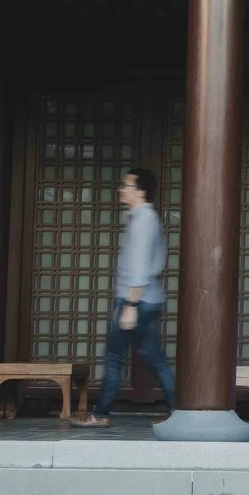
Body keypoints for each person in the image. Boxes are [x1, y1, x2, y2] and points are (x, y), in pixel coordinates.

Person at [72, 165, 176, 428]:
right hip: (148, 299)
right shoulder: (145, 218)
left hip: (136, 300)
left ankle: (101, 413)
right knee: (153, 357)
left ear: (140, 192)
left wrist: (130, 304)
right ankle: (178, 411)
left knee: (114, 358)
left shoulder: (143, 221)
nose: (121, 190)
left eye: (127, 186)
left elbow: (140, 265)